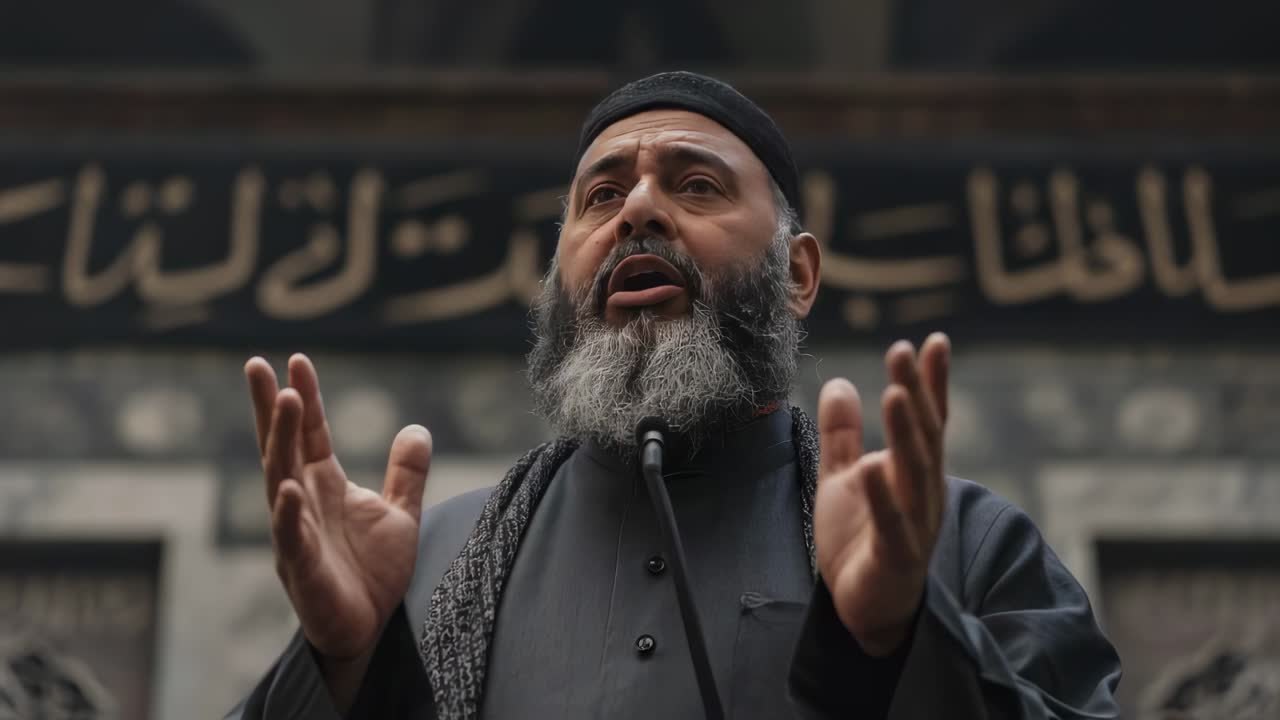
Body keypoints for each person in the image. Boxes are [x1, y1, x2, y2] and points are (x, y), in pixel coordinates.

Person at [226, 71, 1121, 719]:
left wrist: (900, 638)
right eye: (601, 195)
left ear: (798, 274)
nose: (638, 211)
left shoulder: (959, 543)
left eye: (696, 185)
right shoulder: (426, 562)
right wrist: (342, 668)